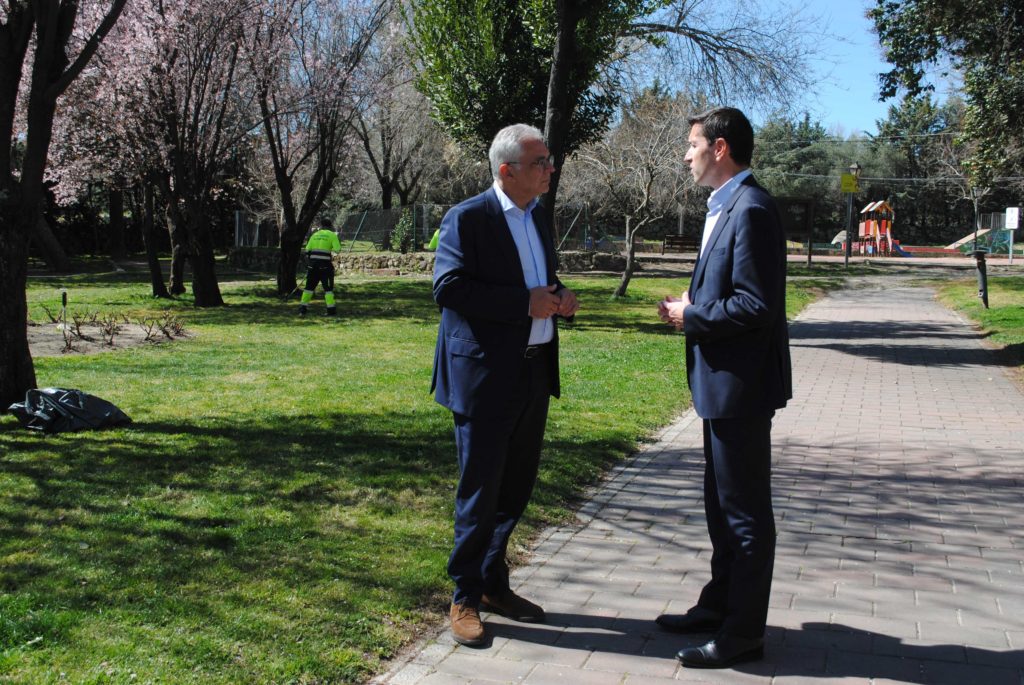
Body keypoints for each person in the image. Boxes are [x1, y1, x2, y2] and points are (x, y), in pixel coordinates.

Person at [431, 123, 579, 646]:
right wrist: (525, 303)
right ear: (506, 170)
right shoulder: (467, 218)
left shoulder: (537, 216)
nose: (550, 169)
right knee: (480, 491)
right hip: (484, 377)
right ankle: (464, 596)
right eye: (540, 162)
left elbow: (539, 281)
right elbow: (448, 287)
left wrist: (560, 296)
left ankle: (494, 584)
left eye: (549, 160)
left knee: (515, 489)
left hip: (533, 370)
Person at [656, 107, 792, 668]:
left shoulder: (751, 208)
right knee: (720, 506)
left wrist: (694, 315)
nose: (686, 154)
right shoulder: (725, 205)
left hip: (741, 387)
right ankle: (719, 605)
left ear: (720, 148)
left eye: (692, 144)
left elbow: (757, 305)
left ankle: (743, 634)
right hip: (720, 385)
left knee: (744, 514)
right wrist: (694, 306)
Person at [298, 218, 342, 316]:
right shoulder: (332, 235)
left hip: (313, 267)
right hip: (325, 267)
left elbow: (307, 250)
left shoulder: (314, 235)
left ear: (321, 225)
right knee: (328, 289)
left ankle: (302, 309)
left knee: (308, 288)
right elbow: (337, 249)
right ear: (330, 226)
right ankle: (331, 310)